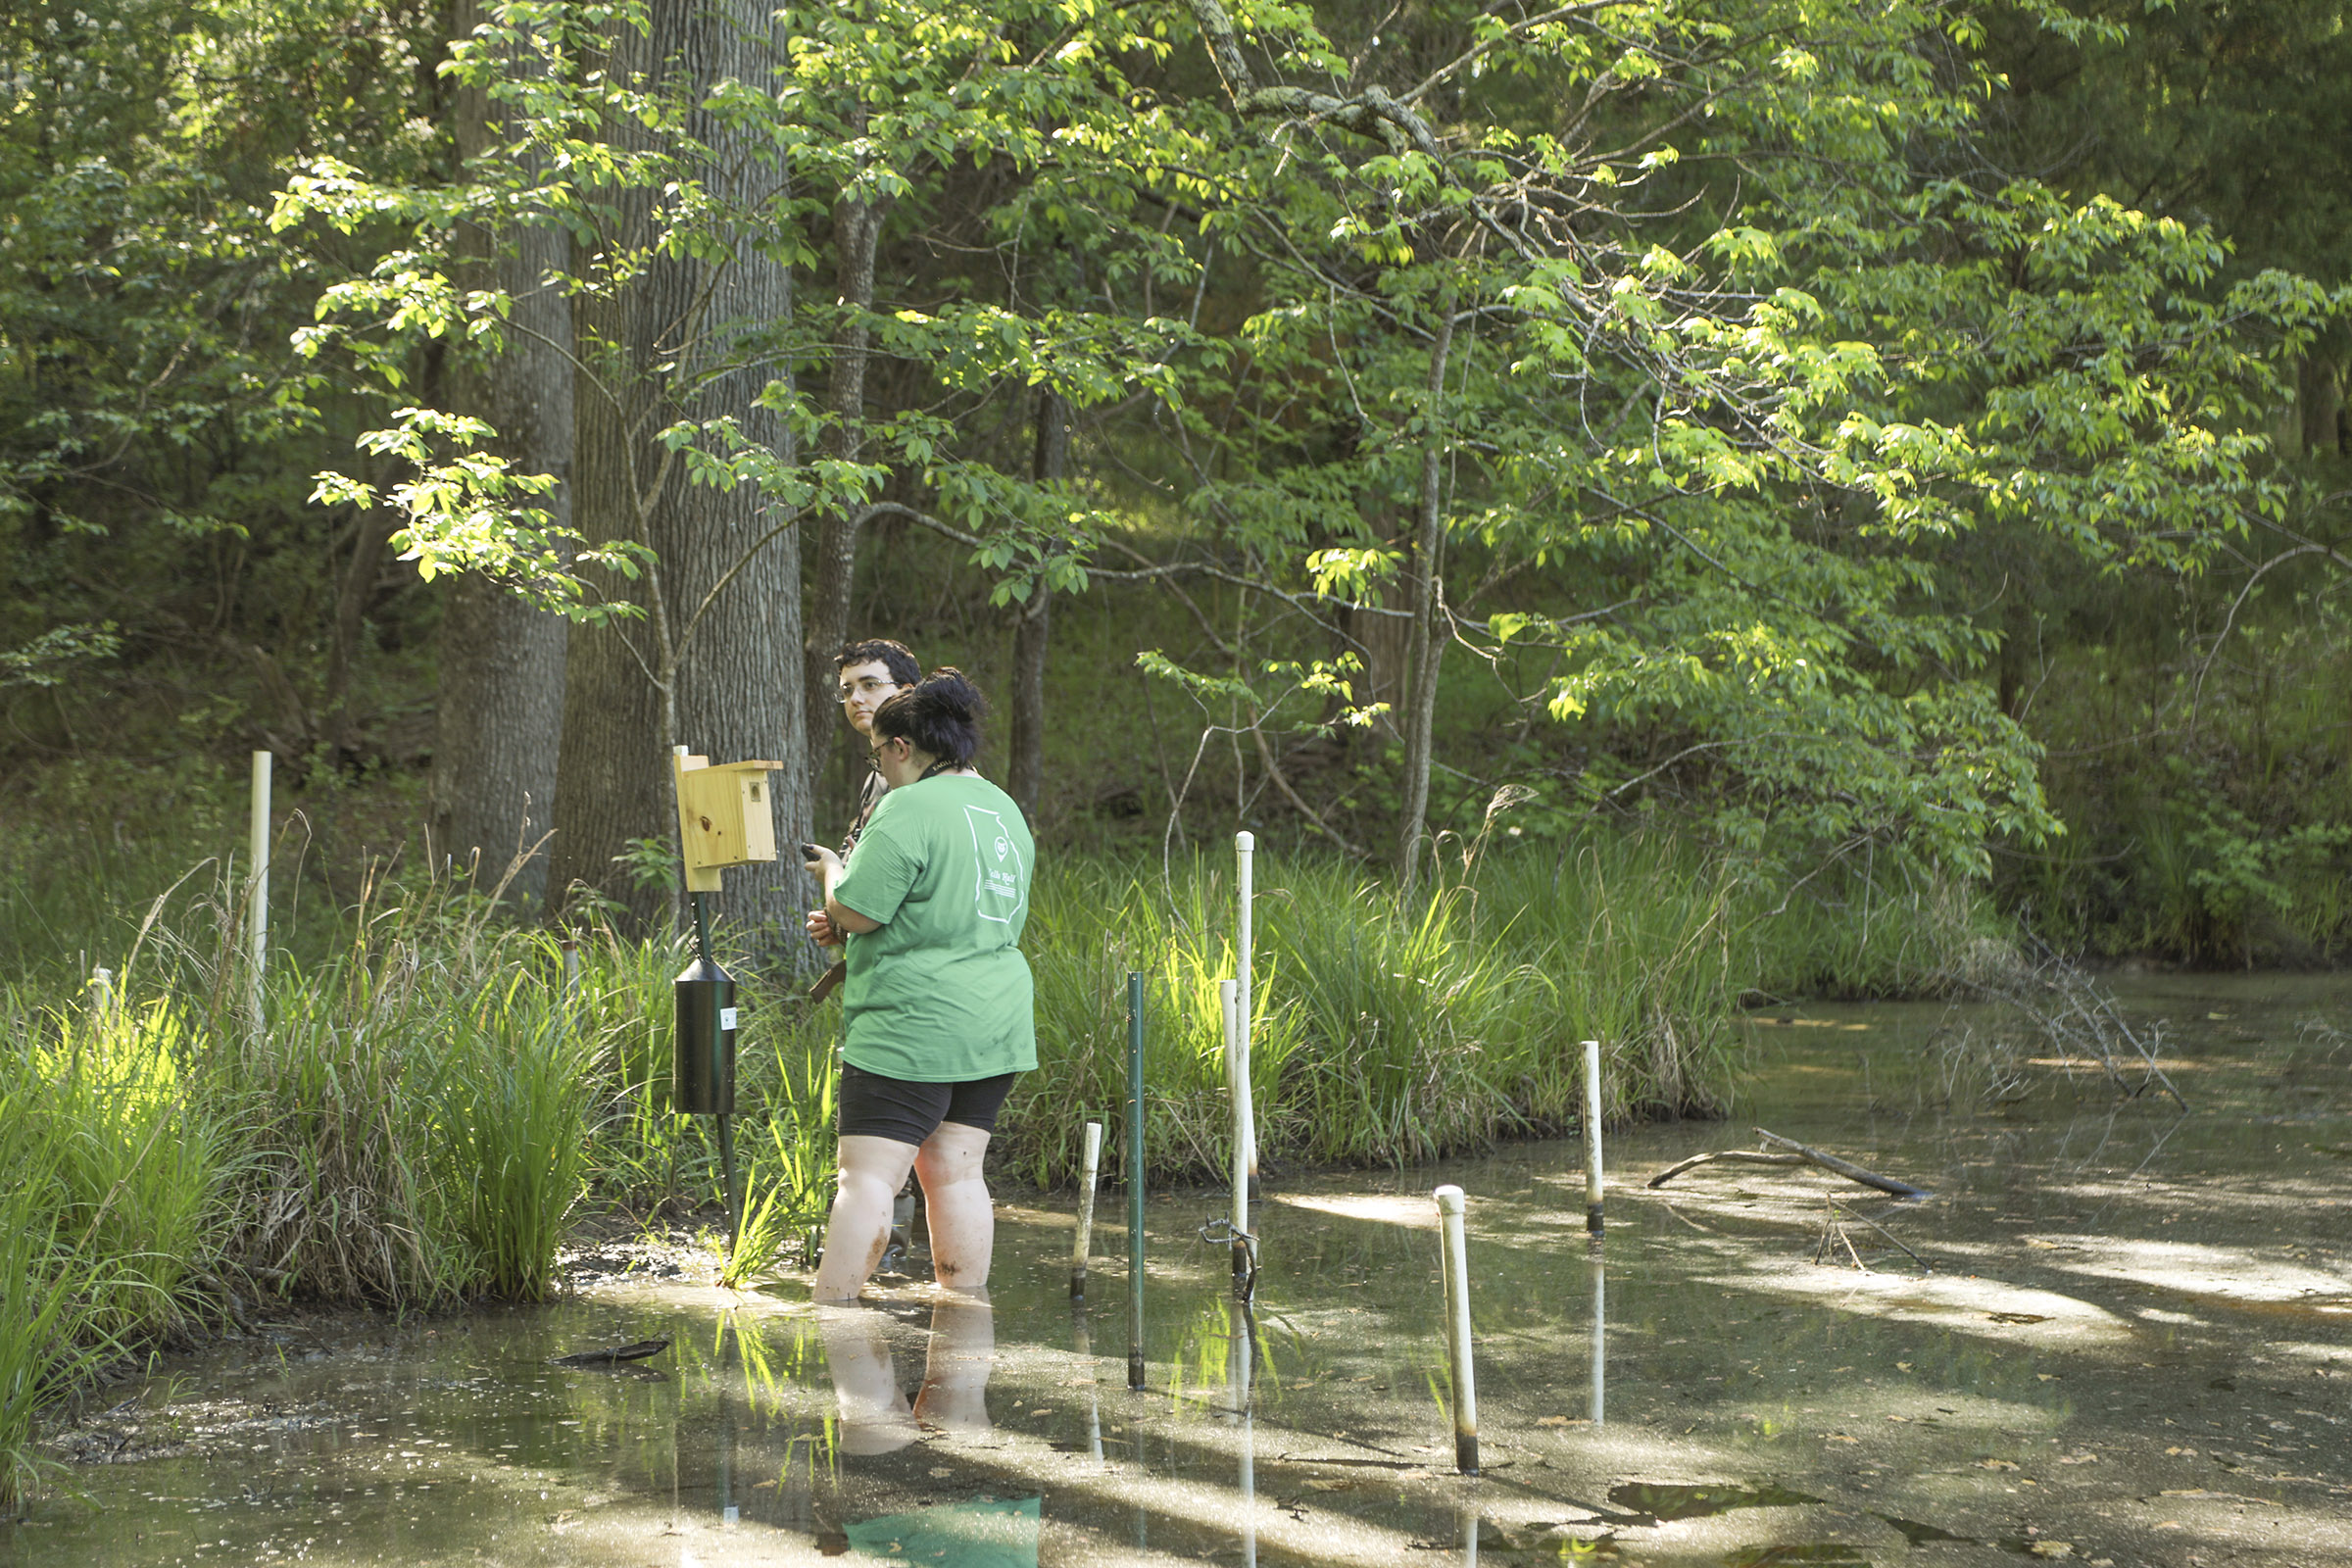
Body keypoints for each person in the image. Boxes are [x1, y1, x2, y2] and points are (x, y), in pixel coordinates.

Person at [803, 670, 1036, 1300]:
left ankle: (833, 1321)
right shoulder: (1002, 806)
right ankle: (964, 1325)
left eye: (877, 754)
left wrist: (832, 871)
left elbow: (857, 912)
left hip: (914, 1020)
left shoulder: (904, 806)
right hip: (995, 1020)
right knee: (957, 1175)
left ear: (902, 748)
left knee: (869, 1179)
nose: (879, 765)